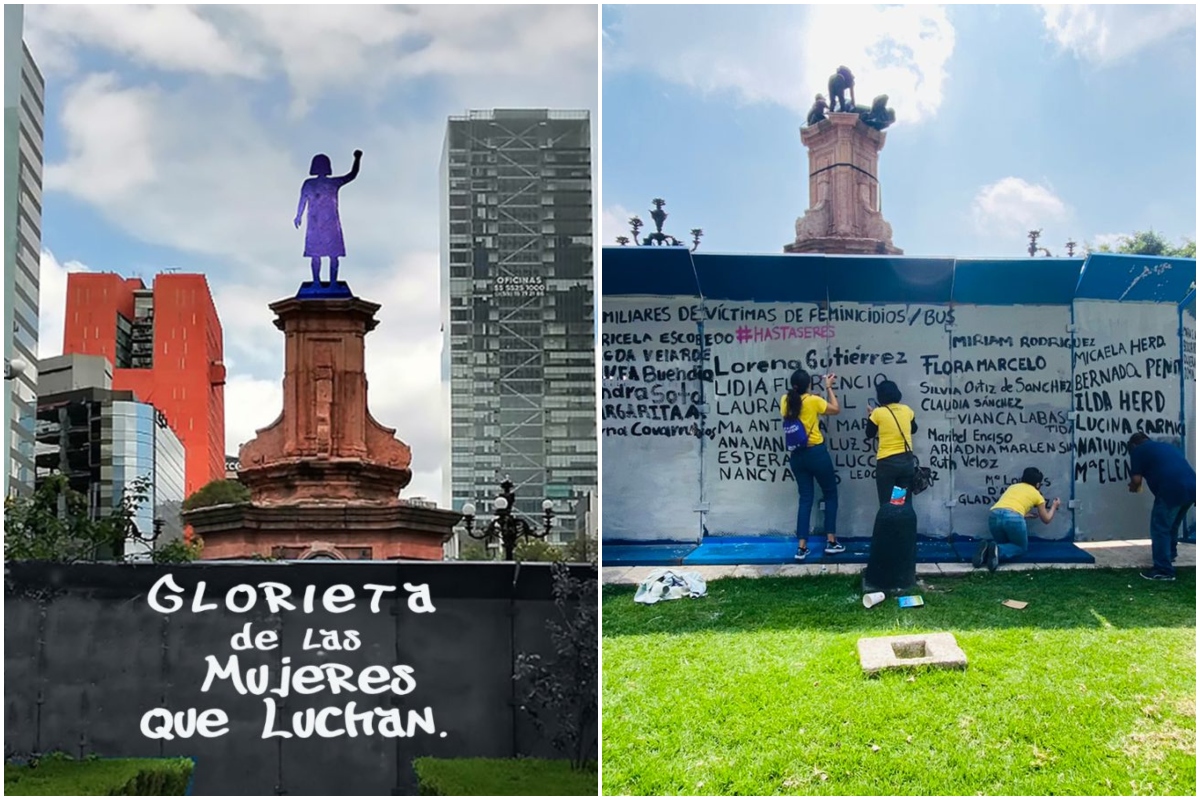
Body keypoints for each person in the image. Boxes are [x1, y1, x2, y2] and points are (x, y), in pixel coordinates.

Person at [781, 369, 843, 560]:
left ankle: (801, 547)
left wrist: (811, 396)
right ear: (809, 384)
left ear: (793, 385)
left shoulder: (785, 400)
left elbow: (799, 405)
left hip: (797, 455)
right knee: (830, 493)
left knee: (805, 498)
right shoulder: (814, 401)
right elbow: (835, 409)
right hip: (816, 453)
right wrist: (828, 388)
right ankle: (831, 541)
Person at [1127, 433, 1196, 581]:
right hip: (1192, 487)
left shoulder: (1138, 451)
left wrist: (1133, 486)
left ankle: (1163, 570)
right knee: (1172, 526)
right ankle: (1169, 555)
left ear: (1133, 445)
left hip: (1171, 489)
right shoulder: (1166, 446)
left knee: (1160, 528)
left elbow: (1136, 479)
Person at [295, 150, 363, 285]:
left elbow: (351, 175)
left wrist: (357, 159)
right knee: (320, 255)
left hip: (328, 222)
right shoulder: (312, 183)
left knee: (329, 255)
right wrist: (298, 215)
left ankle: (328, 282)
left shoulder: (329, 183)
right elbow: (302, 200)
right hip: (318, 223)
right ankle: (319, 282)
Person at [974, 467, 1061, 571]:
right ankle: (997, 550)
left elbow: (1008, 507)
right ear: (1038, 484)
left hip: (994, 515)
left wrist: (1022, 513)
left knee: (1004, 544)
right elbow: (1046, 519)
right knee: (1020, 548)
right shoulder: (1037, 495)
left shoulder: (1013, 487)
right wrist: (1054, 506)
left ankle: (988, 550)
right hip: (1014, 519)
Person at [865, 380, 918, 505]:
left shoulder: (878, 413)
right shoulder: (907, 410)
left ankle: (888, 524)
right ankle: (903, 524)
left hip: (887, 464)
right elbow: (914, 429)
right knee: (900, 502)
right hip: (905, 462)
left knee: (886, 503)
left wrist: (870, 415)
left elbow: (869, 434)